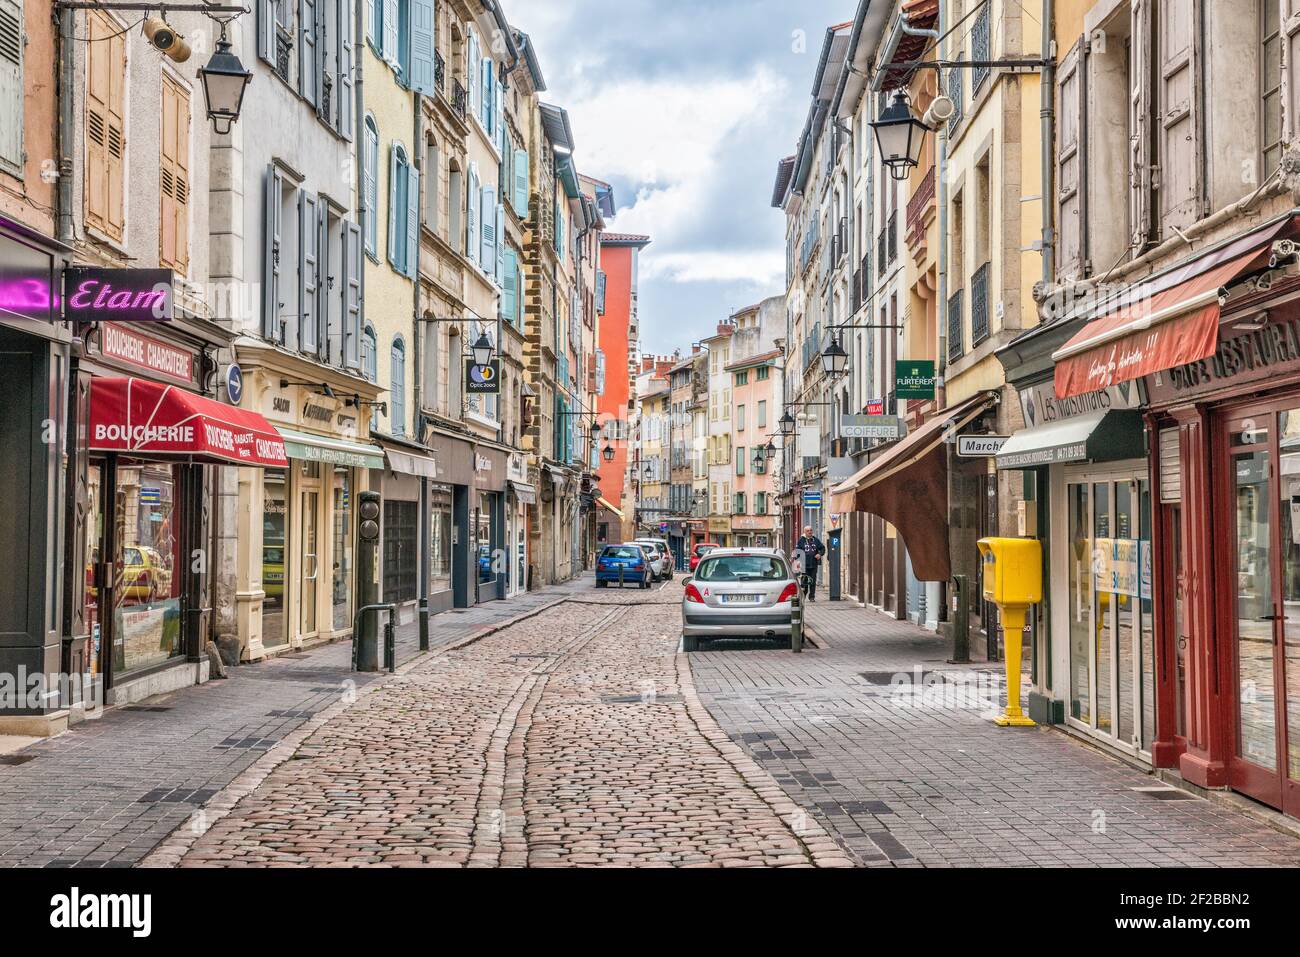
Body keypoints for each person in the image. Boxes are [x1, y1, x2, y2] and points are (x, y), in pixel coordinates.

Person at [795, 525, 826, 601]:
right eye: (808, 531)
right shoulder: (801, 540)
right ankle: (804, 595)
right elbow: (797, 552)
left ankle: (812, 597)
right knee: (804, 581)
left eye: (811, 530)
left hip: (813, 564)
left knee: (813, 581)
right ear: (805, 532)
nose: (810, 532)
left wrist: (820, 554)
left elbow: (822, 548)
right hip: (804, 565)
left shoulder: (816, 540)